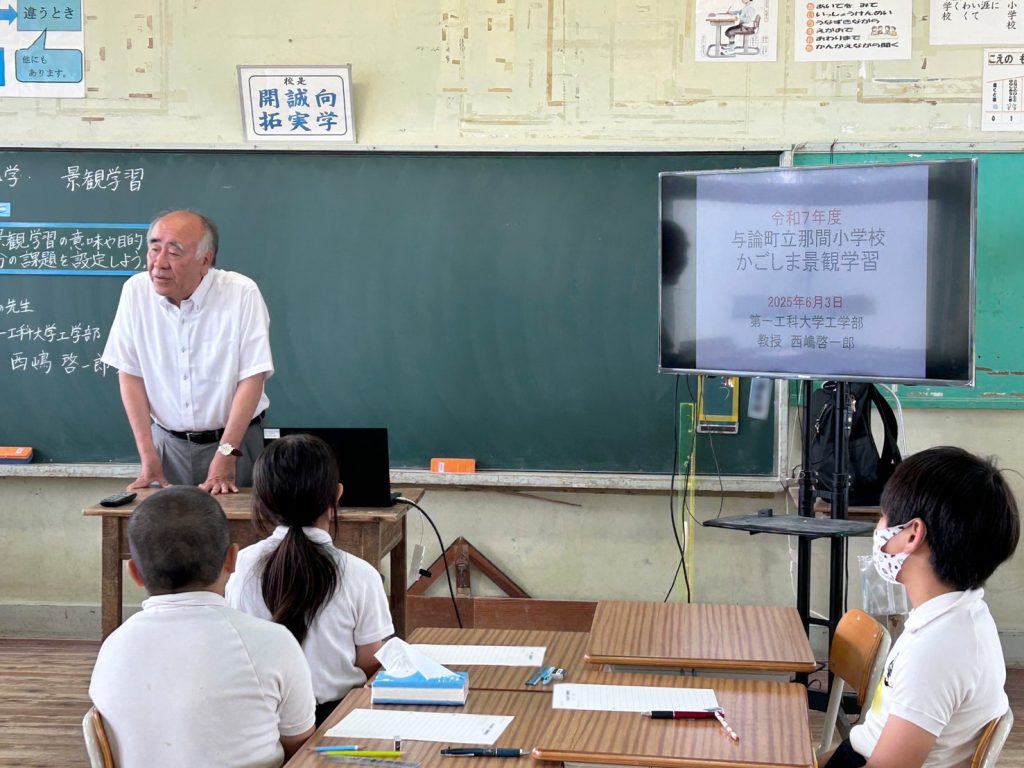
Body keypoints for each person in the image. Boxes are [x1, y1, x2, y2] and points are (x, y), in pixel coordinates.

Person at [89, 486, 316, 767]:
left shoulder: (113, 646)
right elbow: (300, 745)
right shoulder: (274, 642)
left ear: (134, 572)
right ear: (232, 559)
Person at [824, 446, 1020, 768]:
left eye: (884, 516)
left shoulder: (937, 651)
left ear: (912, 534)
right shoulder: (954, 615)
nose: (879, 527)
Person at [226, 434, 394, 725]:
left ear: (261, 501)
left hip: (262, 723)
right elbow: (371, 665)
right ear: (337, 495)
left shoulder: (238, 567)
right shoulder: (361, 574)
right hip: (340, 720)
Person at [102, 209, 273, 494]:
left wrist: (226, 454)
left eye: (174, 252)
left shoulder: (241, 293)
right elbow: (130, 374)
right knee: (166, 523)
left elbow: (252, 378)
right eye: (154, 248)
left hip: (236, 444)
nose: (159, 263)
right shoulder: (135, 291)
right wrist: (148, 454)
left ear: (205, 260)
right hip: (166, 445)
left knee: (239, 522)